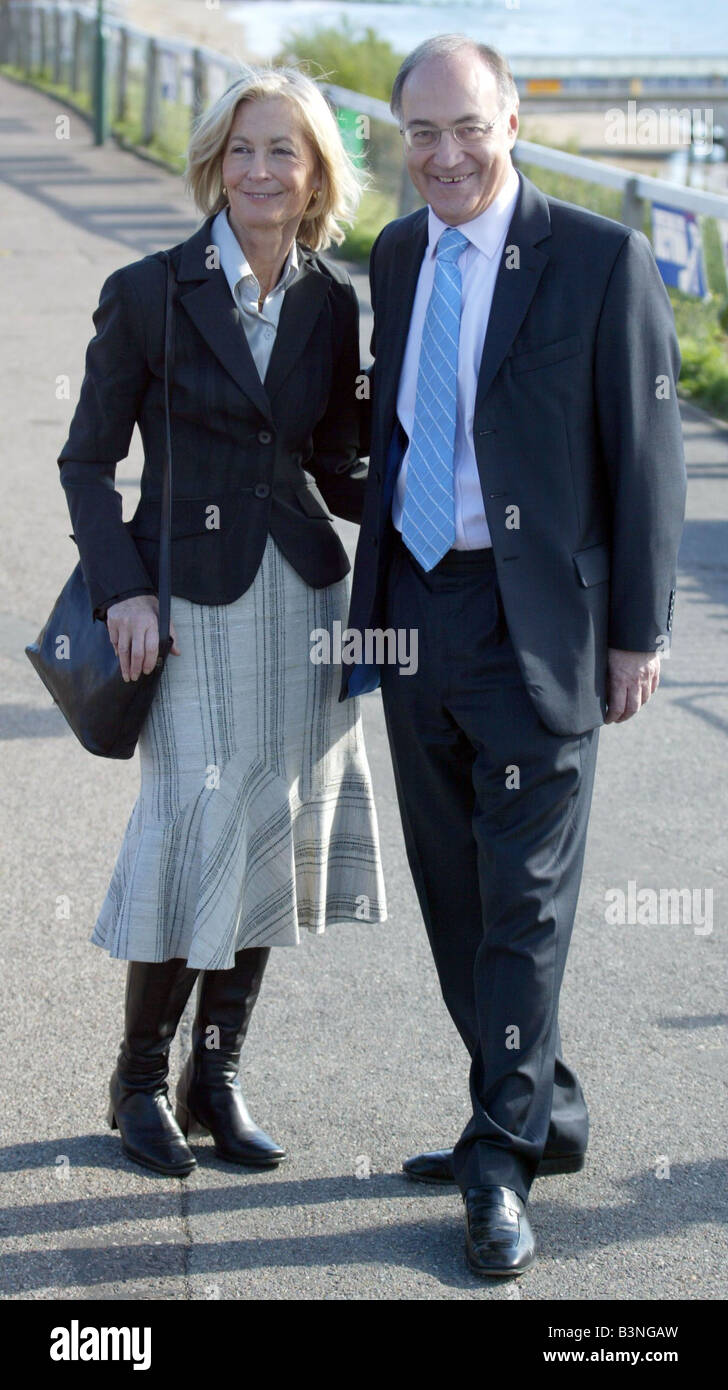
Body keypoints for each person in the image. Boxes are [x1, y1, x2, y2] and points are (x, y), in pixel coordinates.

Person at [342, 34, 686, 1276]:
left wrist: (637, 631)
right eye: (419, 133)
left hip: (538, 620)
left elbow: (648, 460)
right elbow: (390, 432)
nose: (441, 155)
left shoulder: (600, 260)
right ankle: (541, 1103)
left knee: (524, 901)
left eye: (465, 127)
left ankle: (497, 1153)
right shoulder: (394, 252)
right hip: (414, 605)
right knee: (454, 891)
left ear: (512, 119)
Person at [58, 65, 386, 1179]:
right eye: (242, 149)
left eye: (282, 152)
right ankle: (138, 1082)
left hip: (302, 597)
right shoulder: (148, 291)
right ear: (215, 160)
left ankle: (217, 1075)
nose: (259, 170)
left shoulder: (332, 303)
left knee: (267, 836)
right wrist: (123, 587)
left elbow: (337, 469)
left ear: (313, 176)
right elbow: (87, 462)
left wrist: (450, 507)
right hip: (183, 606)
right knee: (189, 823)